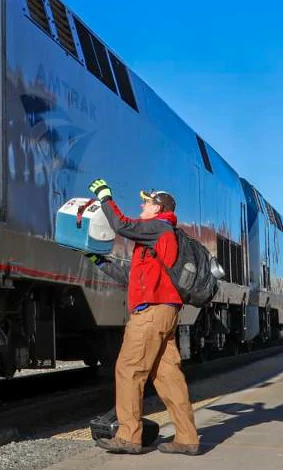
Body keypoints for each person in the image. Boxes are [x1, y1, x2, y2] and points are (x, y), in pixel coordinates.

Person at [84, 179, 201, 455]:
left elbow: (122, 225)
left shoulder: (158, 227)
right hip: (165, 311)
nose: (142, 205)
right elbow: (131, 277)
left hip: (150, 313)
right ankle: (187, 438)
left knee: (129, 369)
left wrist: (105, 196)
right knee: (167, 376)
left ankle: (128, 436)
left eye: (146, 202)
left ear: (159, 208)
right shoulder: (159, 236)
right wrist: (98, 261)